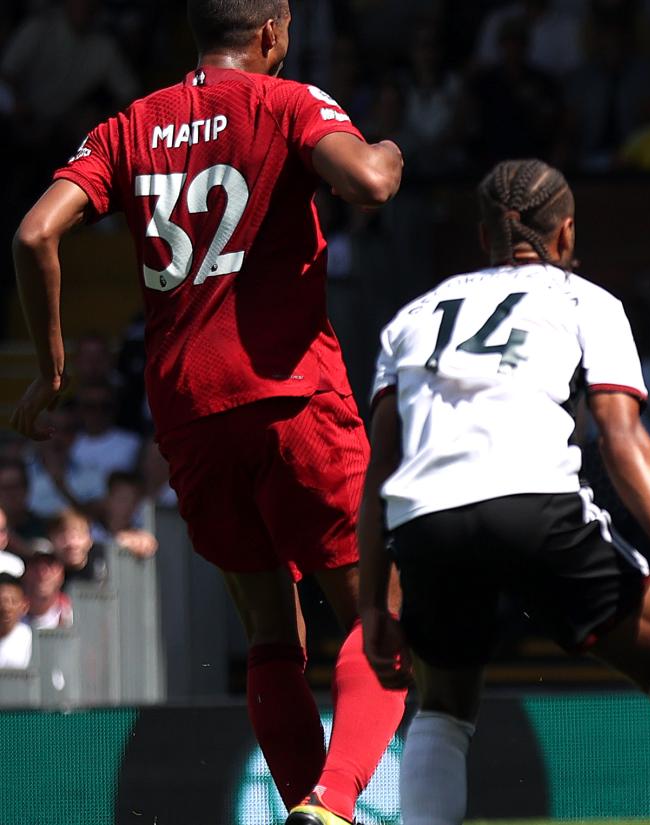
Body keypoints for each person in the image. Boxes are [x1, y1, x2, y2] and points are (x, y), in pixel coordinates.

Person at [7, 2, 408, 822]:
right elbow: (367, 183)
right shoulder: (287, 101)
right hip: (291, 397)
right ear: (272, 32)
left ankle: (305, 806)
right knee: (378, 613)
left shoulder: (130, 125)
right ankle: (333, 799)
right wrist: (390, 153)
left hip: (190, 414)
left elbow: (34, 234)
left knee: (270, 631)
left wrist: (51, 369)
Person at [357, 160, 650, 825]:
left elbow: (380, 467)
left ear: (484, 237)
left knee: (443, 706)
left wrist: (371, 602)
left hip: (428, 522)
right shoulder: (586, 301)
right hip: (534, 501)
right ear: (565, 233)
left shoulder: (412, 316)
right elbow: (622, 436)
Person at [18, 542, 70, 630]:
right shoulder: (6, 617)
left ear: (62, 573)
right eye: (35, 563)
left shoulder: (74, 614)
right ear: (25, 572)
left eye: (50, 564)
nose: (43, 572)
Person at [0, 575, 28, 669]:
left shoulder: (33, 642)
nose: (6, 608)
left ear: (24, 606)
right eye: (1, 601)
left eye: (13, 601)